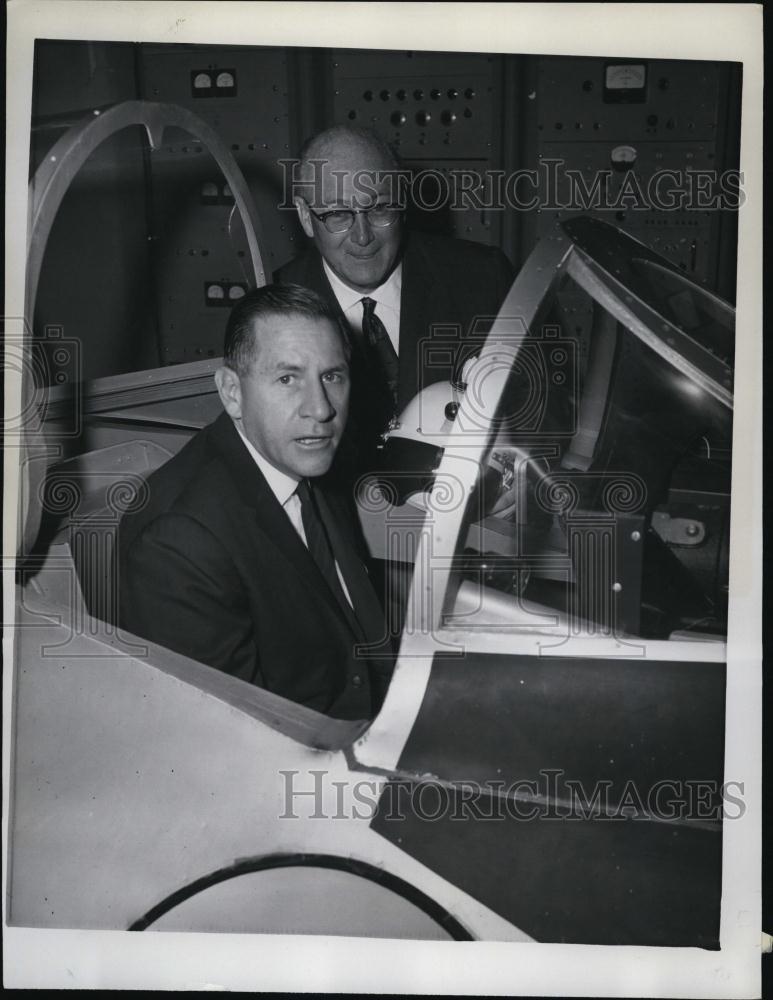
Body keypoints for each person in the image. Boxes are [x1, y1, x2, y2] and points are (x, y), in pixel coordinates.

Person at [117, 284, 392, 720]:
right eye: (287, 379)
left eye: (332, 376)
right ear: (232, 392)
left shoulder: (305, 454)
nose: (321, 409)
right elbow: (225, 735)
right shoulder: (177, 541)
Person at [276, 124, 516, 471]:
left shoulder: (483, 278)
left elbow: (544, 410)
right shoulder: (273, 307)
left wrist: (507, 472)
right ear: (305, 216)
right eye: (338, 214)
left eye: (379, 209)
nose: (362, 237)